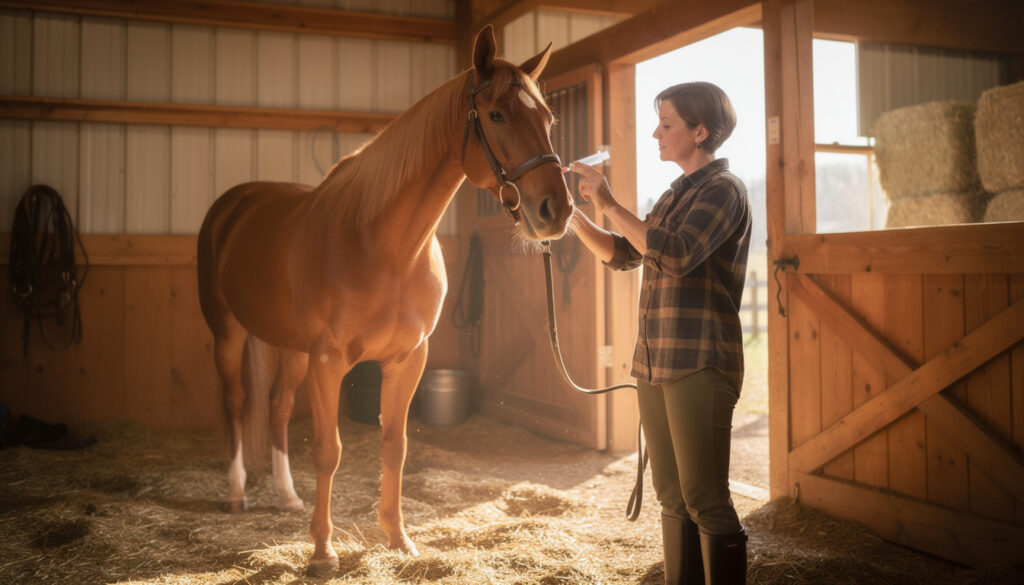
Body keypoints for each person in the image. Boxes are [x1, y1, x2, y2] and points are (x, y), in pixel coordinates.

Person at [570, 81, 751, 585]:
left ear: (701, 131)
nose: (656, 133)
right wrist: (572, 218)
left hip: (698, 363)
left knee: (706, 499)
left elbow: (674, 254)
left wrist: (607, 200)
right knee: (671, 495)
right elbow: (627, 254)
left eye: (666, 124)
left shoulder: (724, 190)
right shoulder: (676, 193)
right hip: (655, 362)